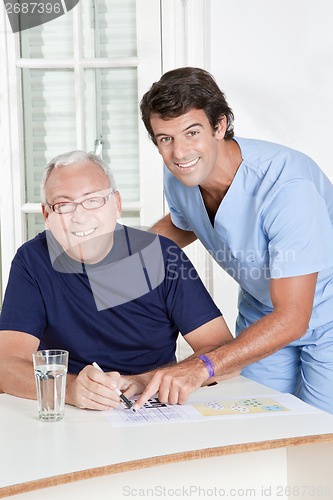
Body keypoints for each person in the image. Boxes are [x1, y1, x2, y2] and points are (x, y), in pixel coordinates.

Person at [134, 66, 333, 413]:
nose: (179, 153)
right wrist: (114, 269)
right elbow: (186, 223)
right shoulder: (182, 179)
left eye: (191, 132)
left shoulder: (287, 188)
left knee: (318, 435)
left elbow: (293, 316)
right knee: (253, 422)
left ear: (219, 125)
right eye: (165, 138)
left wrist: (202, 366)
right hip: (262, 316)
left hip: (323, 319)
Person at [0, 150, 235, 410]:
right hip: (69, 412)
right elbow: (6, 365)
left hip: (151, 408)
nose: (79, 217)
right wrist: (71, 388)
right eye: (63, 205)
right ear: (47, 215)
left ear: (117, 204)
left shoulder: (163, 256)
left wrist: (145, 380)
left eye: (93, 200)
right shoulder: (32, 260)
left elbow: (225, 354)